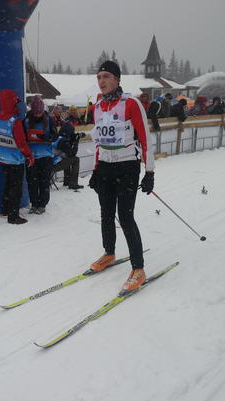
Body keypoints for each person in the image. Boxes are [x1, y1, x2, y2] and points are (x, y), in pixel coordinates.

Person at [88, 60, 155, 296]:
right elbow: (99, 141)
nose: (102, 81)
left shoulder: (131, 103)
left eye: (106, 76)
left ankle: (138, 269)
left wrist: (149, 172)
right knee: (106, 213)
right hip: (105, 166)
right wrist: (96, 169)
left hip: (127, 166)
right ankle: (109, 253)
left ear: (117, 79)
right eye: (99, 77)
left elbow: (145, 139)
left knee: (125, 216)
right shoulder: (97, 106)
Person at [0, 89, 34, 224]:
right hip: (15, 160)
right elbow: (21, 142)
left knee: (8, 184)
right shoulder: (15, 121)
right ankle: (13, 216)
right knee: (16, 188)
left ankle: (5, 209)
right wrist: (29, 155)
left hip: (2, 158)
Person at [24, 96, 56, 214]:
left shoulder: (49, 119)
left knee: (44, 182)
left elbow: (55, 136)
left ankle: (42, 204)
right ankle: (34, 204)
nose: (38, 115)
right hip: (31, 156)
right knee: (32, 182)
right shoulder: (26, 120)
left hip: (46, 155)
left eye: (40, 112)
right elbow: (22, 137)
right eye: (35, 112)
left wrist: (47, 137)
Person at [52, 119, 84, 190]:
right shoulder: (64, 142)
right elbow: (72, 153)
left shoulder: (58, 138)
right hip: (54, 165)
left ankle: (67, 181)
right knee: (75, 159)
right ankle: (73, 183)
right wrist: (76, 141)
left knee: (66, 158)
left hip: (50, 163)